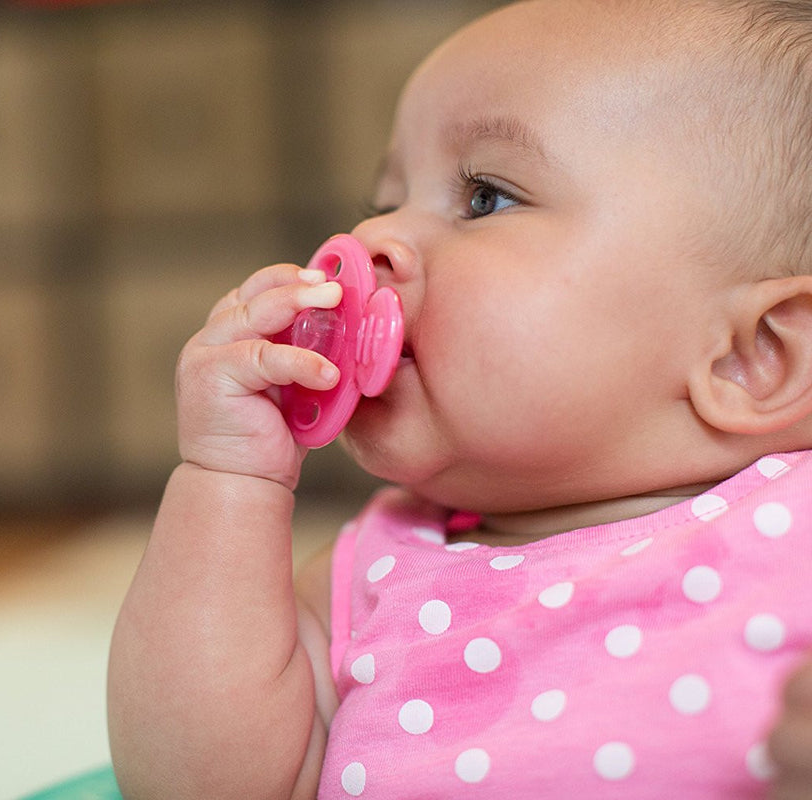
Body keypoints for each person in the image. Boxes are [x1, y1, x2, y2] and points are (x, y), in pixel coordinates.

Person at [106, 0, 812, 796]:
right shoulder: (373, 573)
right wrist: (229, 480)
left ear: (752, 355)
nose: (369, 243)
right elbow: (199, 785)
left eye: (485, 198)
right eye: (384, 204)